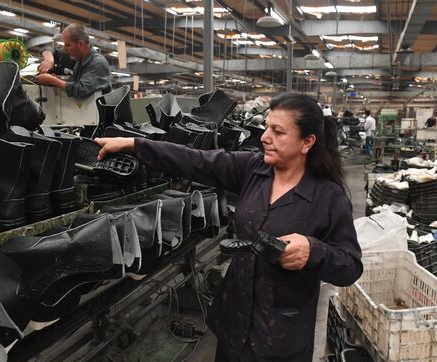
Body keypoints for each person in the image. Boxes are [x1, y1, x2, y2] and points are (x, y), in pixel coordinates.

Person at [95, 93, 363, 362]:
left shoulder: (329, 197)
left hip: (279, 334)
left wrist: (313, 251)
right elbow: (195, 160)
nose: (265, 137)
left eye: (277, 132)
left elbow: (350, 266)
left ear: (307, 142)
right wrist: (135, 144)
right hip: (234, 321)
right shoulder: (253, 170)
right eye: (267, 127)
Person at [35, 23, 111, 99]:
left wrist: (53, 81)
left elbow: (81, 90)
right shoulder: (77, 59)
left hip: (97, 110)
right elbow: (49, 49)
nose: (64, 48)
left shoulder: (98, 63)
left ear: (80, 44)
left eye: (67, 45)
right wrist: (49, 59)